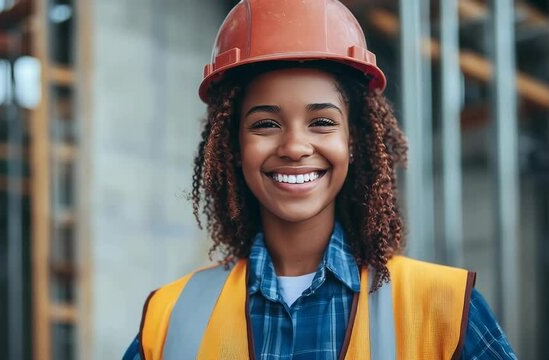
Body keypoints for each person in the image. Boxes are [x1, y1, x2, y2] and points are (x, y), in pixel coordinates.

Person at [123, 0, 517, 359]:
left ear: (354, 142)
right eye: (265, 124)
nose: (295, 145)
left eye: (322, 122)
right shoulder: (169, 318)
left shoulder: (445, 310)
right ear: (233, 146)